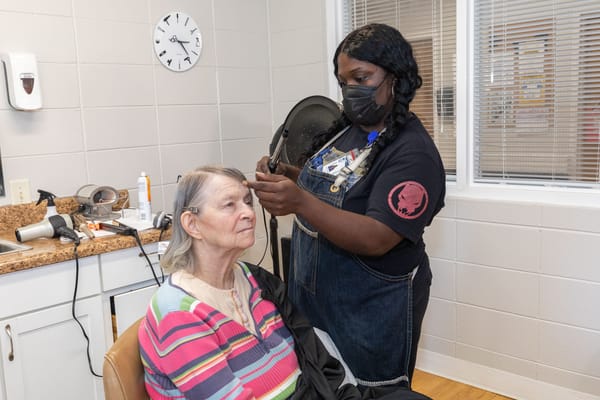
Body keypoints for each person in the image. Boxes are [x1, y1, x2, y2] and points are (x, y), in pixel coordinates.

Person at [248, 23, 446, 390]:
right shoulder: (350, 130)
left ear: (395, 78)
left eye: (362, 77)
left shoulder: (412, 153)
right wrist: (290, 177)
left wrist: (300, 201)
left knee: (367, 390)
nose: (351, 90)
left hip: (370, 307)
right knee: (321, 385)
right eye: (343, 81)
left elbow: (377, 236)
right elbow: (339, 184)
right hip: (316, 296)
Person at [138, 165, 433, 400]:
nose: (249, 214)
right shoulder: (178, 315)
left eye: (247, 202)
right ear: (192, 224)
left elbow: (316, 360)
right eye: (230, 205)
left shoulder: (254, 280)